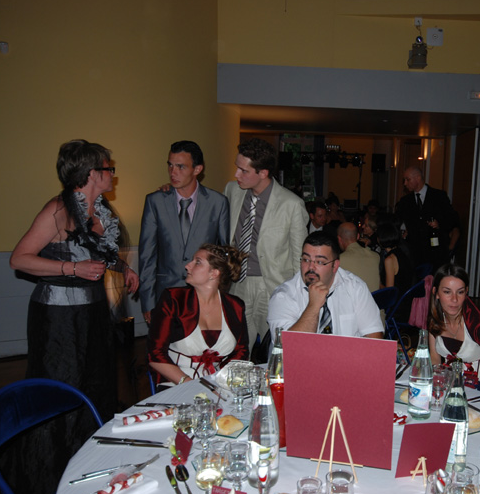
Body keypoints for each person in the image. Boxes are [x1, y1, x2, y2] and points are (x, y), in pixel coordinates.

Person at [8, 139, 139, 494]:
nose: (113, 174)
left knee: (96, 383)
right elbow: (19, 259)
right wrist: (72, 268)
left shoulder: (101, 210)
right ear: (91, 173)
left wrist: (122, 268)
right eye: (108, 168)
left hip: (93, 312)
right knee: (62, 387)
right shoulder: (56, 209)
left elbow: (98, 253)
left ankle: (89, 466)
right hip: (57, 318)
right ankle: (49, 476)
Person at [224, 138, 307, 353]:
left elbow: (300, 256)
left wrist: (297, 296)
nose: (236, 174)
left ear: (263, 173)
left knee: (278, 351)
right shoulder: (232, 190)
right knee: (236, 348)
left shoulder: (292, 204)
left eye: (243, 170)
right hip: (237, 283)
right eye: (237, 168)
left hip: (273, 286)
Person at [139, 141, 230, 324]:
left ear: (197, 169)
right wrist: (147, 302)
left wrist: (221, 297)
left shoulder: (217, 202)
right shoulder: (155, 202)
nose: (173, 172)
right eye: (170, 165)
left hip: (205, 296)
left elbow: (223, 254)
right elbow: (147, 256)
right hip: (165, 295)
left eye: (180, 167)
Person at [148, 244, 249, 385]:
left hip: (218, 382)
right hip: (176, 382)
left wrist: (221, 382)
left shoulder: (235, 306)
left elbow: (241, 352)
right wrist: (190, 384)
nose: (187, 266)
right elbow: (155, 354)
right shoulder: (174, 299)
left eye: (197, 262)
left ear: (214, 273)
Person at [267, 231, 384, 338]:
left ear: (335, 266)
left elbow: (374, 336)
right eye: (306, 259)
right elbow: (289, 346)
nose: (310, 267)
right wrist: (313, 306)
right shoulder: (284, 295)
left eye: (319, 262)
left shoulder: (355, 287)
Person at [427, 264, 480, 386]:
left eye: (460, 292)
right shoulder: (436, 320)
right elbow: (434, 358)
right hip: (450, 385)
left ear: (466, 292)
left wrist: (472, 389)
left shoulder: (479, 325)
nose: (454, 299)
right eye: (447, 292)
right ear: (436, 293)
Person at [394, 167, 458, 270]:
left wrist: (439, 224)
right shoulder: (405, 201)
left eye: (408, 179)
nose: (405, 183)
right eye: (404, 180)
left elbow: (452, 219)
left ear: (418, 178)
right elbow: (397, 221)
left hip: (436, 252)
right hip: (414, 253)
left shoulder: (439, 196)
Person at [377, 223, 414, 319]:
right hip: (407, 300)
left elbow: (389, 292)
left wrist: (378, 283)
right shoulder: (401, 252)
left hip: (398, 307)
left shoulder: (389, 259)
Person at [337, 222, 380, 292]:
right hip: (375, 298)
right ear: (358, 236)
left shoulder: (339, 260)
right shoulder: (375, 256)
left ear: (339, 239)